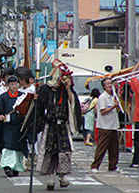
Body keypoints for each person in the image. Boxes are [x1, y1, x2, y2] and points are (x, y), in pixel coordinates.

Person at [35, 60, 81, 190]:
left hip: (62, 126)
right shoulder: (45, 89)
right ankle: (50, 178)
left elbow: (73, 105)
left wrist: (68, 88)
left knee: (64, 152)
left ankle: (62, 176)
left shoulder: (67, 90)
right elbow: (39, 106)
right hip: (50, 125)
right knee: (50, 152)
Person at [0, 75, 28, 177]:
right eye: (12, 84)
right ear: (8, 85)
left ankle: (16, 167)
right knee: (8, 147)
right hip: (7, 127)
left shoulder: (23, 96)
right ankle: (7, 166)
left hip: (19, 127)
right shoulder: (3, 97)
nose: (14, 86)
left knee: (18, 149)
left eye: (15, 84)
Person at [90, 77, 119, 173]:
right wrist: (113, 106)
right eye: (107, 84)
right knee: (102, 147)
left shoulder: (113, 97)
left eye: (111, 83)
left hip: (113, 125)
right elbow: (102, 111)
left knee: (114, 148)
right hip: (105, 126)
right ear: (104, 86)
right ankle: (95, 165)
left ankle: (113, 165)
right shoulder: (102, 97)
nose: (110, 85)